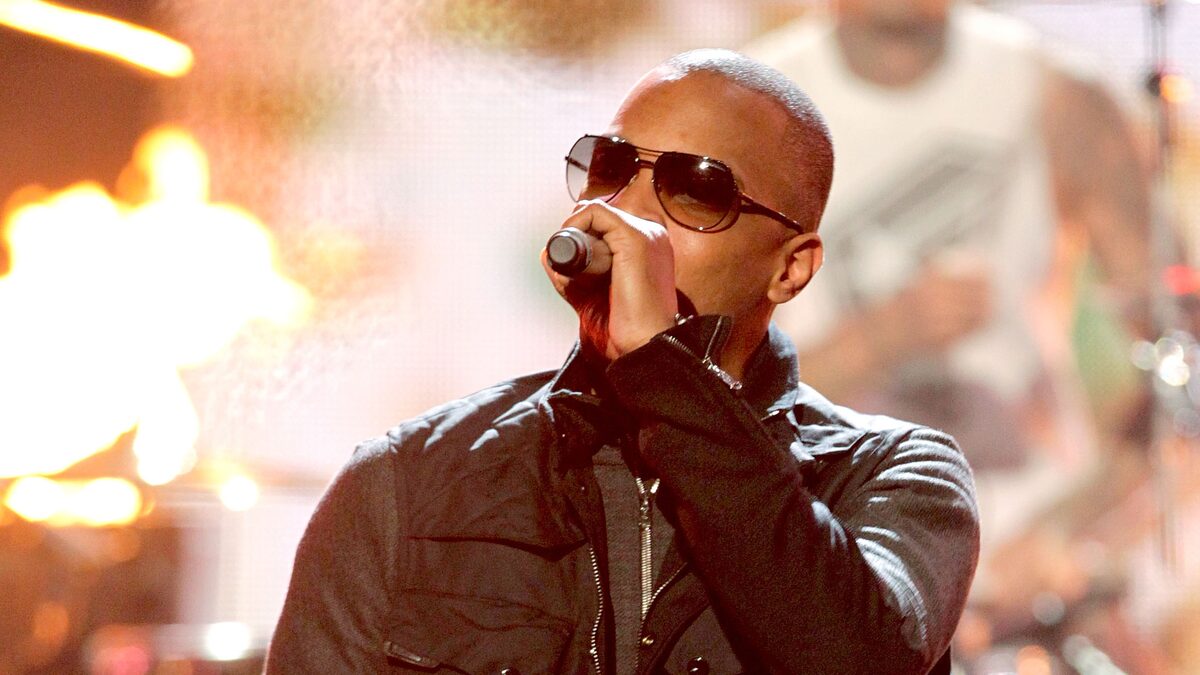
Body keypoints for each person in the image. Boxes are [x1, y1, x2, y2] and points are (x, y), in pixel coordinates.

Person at [266, 49, 979, 674]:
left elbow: (858, 656)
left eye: (695, 188)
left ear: (791, 268)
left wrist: (661, 369)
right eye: (609, 168)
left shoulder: (896, 478)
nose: (624, 215)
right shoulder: (405, 483)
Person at [745, 0, 1154, 613]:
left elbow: (1177, 361)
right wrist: (883, 336)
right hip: (831, 555)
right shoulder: (748, 109)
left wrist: (1073, 529)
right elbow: (702, 390)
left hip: (1034, 557)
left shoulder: (1056, 92)